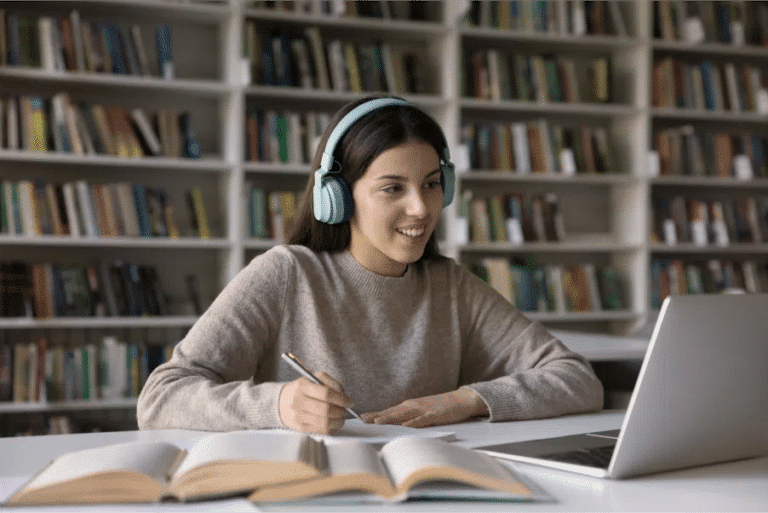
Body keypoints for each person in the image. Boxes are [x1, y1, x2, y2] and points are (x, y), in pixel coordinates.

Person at [137, 95, 603, 434]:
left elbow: (578, 379)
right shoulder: (286, 274)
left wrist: (465, 401)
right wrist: (278, 404)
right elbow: (161, 398)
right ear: (337, 197)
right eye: (393, 188)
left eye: (432, 184)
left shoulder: (452, 287)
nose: (421, 209)